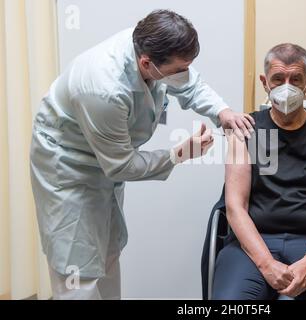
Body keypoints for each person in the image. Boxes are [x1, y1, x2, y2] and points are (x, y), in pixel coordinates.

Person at [30, 9, 254, 300]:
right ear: (147, 63)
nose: (184, 75)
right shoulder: (104, 88)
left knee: (108, 252)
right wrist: (178, 155)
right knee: (77, 268)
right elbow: (121, 165)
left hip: (104, 161)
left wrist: (221, 111)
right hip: (68, 169)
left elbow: (190, 83)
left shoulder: (150, 47)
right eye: (177, 70)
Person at [212, 44, 306, 300]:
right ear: (264, 82)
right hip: (253, 243)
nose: (286, 86)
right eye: (278, 79)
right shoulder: (245, 128)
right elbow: (235, 205)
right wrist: (266, 264)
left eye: (296, 79)